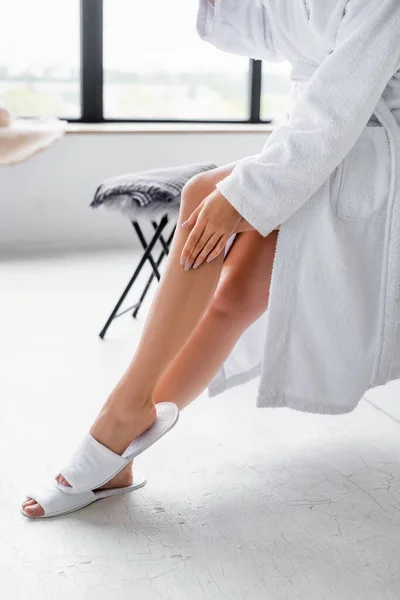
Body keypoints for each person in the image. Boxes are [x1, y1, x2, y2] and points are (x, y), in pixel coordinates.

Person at [21, 0, 400, 517]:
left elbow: (337, 108)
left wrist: (246, 196)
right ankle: (117, 447)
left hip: (357, 152)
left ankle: (116, 423)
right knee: (233, 298)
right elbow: (258, 31)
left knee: (206, 198)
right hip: (316, 148)